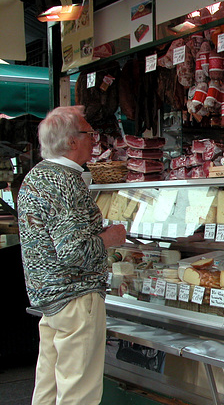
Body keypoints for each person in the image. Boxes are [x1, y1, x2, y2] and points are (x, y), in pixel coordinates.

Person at [17, 105, 126, 405]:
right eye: (89, 133)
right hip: (76, 300)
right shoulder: (67, 182)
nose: (94, 139)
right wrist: (110, 237)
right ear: (72, 141)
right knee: (78, 393)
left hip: (48, 299)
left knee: (48, 387)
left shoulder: (34, 178)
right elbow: (75, 251)